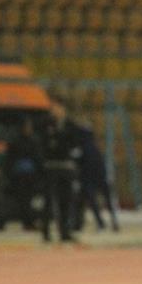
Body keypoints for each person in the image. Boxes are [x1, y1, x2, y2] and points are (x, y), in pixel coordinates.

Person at [43, 96, 82, 243]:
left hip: (65, 166)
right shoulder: (47, 125)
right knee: (49, 201)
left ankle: (64, 231)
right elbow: (44, 145)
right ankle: (46, 231)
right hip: (51, 166)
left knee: (65, 200)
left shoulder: (71, 125)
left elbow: (73, 145)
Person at [3, 118, 47, 231]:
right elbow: (10, 159)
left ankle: (30, 221)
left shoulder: (32, 141)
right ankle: (27, 222)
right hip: (21, 176)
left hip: (30, 175)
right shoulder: (18, 141)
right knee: (24, 200)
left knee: (30, 199)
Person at [75, 125, 120, 233]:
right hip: (100, 177)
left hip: (89, 178)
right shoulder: (95, 148)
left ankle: (100, 222)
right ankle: (112, 221)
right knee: (104, 199)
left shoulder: (83, 148)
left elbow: (80, 163)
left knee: (92, 200)